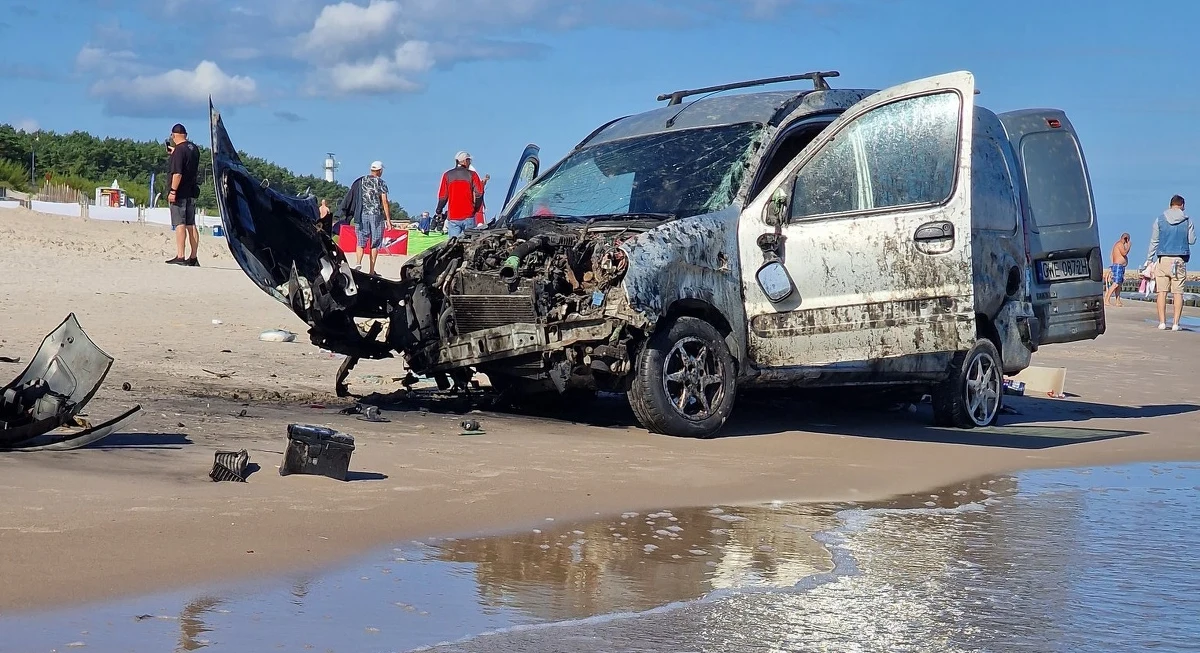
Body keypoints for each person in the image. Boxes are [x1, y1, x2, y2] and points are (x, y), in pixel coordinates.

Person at [1146, 195, 1196, 331]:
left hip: (1163, 259)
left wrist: (1149, 259)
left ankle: (1162, 322)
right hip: (1179, 259)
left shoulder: (1160, 219)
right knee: (1178, 293)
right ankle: (1175, 324)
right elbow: (1192, 240)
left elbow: (1154, 241)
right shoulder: (1187, 220)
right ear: (1182, 205)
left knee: (1161, 292)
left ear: (1170, 205)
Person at [165, 123, 201, 266]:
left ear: (174, 135)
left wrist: (173, 191)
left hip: (180, 193)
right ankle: (193, 257)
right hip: (191, 191)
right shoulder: (193, 148)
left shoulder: (179, 151)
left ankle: (180, 256)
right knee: (191, 224)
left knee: (180, 223)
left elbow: (178, 173)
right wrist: (175, 152)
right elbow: (187, 161)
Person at [353, 161, 393, 275]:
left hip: (361, 214)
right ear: (380, 170)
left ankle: (358, 262)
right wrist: (388, 220)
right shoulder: (381, 182)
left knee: (360, 240)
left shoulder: (361, 180)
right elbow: (384, 202)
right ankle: (371, 270)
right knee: (374, 243)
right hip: (376, 214)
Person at [436, 151, 485, 238]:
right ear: (465, 161)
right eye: (469, 160)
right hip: (469, 215)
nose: (470, 162)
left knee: (453, 246)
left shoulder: (447, 175)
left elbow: (443, 197)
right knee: (469, 245)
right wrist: (476, 208)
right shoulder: (472, 175)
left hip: (453, 217)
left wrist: (438, 211)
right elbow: (479, 193)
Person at [1104, 232, 1132, 307]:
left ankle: (1117, 301)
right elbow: (1124, 253)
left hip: (1121, 266)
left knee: (1119, 285)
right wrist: (1128, 246)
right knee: (1115, 284)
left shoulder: (1120, 245)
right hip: (1118, 266)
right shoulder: (1119, 244)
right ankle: (1107, 299)